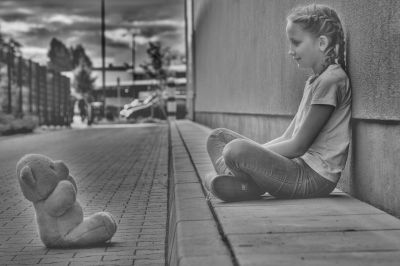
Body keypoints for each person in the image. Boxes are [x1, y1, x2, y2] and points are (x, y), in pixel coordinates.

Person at [204, 4, 351, 202]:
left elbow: (298, 146)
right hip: (296, 168)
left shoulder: (331, 81)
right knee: (217, 137)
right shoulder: (315, 81)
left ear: (322, 43)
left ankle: (239, 181)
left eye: (296, 43)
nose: (290, 51)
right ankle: (244, 183)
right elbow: (288, 136)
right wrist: (252, 158)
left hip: (311, 178)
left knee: (234, 150)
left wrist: (245, 157)